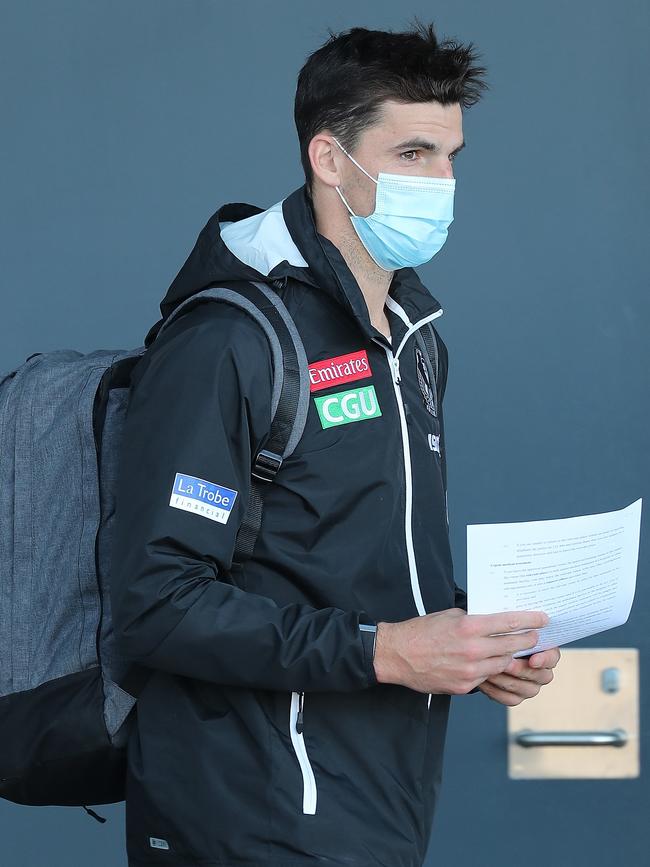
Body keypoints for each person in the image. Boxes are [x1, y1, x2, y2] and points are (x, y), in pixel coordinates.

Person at [110, 20, 560, 867]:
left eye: (452, 154)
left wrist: (471, 641)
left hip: (375, 805)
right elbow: (157, 603)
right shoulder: (226, 339)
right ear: (328, 158)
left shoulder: (412, 333)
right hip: (242, 817)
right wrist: (385, 650)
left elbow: (355, 558)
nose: (444, 181)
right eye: (415, 153)